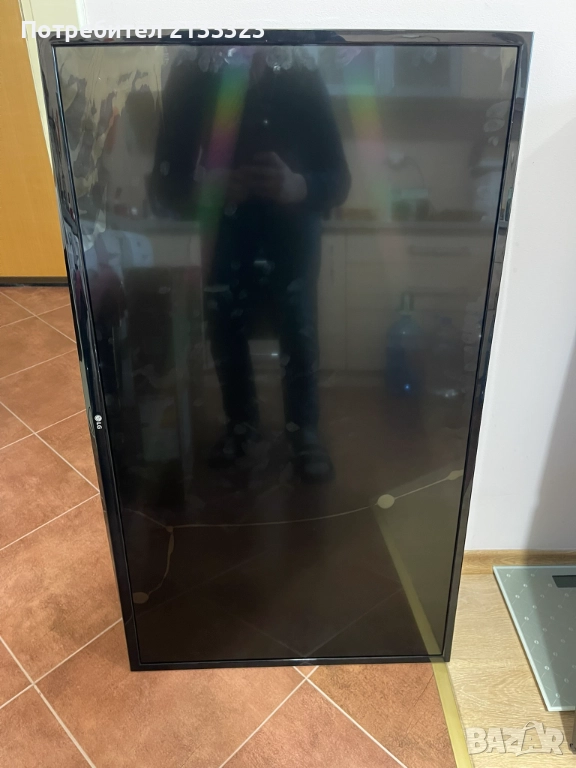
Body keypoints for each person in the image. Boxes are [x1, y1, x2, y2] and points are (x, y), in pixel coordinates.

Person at [150, 47, 351, 482]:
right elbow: (163, 186)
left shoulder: (301, 72)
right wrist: (214, 189)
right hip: (230, 233)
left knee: (297, 328)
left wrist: (298, 186)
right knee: (229, 328)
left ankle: (300, 432)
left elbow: (339, 179)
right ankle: (247, 426)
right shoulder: (192, 73)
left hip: (290, 234)